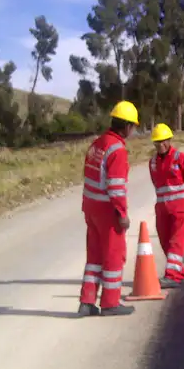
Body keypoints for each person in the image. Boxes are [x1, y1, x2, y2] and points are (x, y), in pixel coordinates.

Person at [78, 101, 139, 317]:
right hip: (107, 211)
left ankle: (86, 302)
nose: (133, 131)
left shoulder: (98, 143)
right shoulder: (117, 149)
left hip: (91, 208)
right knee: (113, 256)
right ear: (127, 126)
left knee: (94, 256)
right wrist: (122, 214)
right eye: (133, 126)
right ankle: (110, 303)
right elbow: (115, 186)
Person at [148, 122, 184, 289]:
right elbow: (156, 185)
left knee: (176, 242)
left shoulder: (181, 159)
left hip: (179, 208)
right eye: (157, 141)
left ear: (169, 140)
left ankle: (172, 276)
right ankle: (180, 272)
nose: (161, 144)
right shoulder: (153, 162)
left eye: (164, 141)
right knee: (165, 242)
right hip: (162, 208)